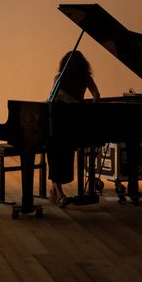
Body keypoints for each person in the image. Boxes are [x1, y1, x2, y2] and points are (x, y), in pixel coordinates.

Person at [47, 50, 100, 207]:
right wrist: (88, 108)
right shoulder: (66, 79)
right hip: (58, 122)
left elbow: (65, 97)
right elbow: (96, 95)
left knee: (64, 155)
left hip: (66, 121)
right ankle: (59, 193)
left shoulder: (62, 77)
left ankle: (55, 189)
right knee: (56, 152)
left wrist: (87, 109)